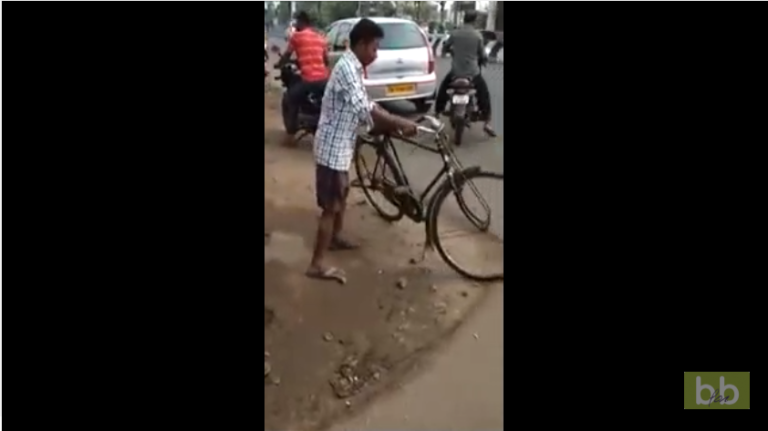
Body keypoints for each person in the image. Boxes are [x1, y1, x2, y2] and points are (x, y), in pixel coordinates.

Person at [306, 18, 420, 282]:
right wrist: (400, 122)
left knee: (342, 195)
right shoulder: (347, 67)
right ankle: (317, 263)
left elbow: (366, 102)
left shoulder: (354, 67)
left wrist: (389, 116)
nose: (376, 53)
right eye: (374, 48)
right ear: (360, 44)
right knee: (331, 206)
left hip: (341, 145)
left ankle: (336, 237)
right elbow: (364, 108)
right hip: (332, 148)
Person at [434, 11, 496, 137]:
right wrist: (483, 60)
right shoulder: (477, 35)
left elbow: (445, 47)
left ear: (464, 20)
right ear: (474, 21)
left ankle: (437, 113)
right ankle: (487, 121)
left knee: (443, 89)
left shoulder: (455, 33)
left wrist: (452, 52)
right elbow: (483, 55)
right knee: (484, 94)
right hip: (473, 73)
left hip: (456, 72)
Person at [276, 11, 330, 146]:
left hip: (309, 80)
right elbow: (325, 60)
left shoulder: (297, 37)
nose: (295, 25)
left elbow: (287, 55)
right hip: (324, 80)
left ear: (302, 22)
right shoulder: (319, 38)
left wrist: (279, 64)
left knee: (291, 98)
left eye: (296, 22)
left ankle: (290, 136)